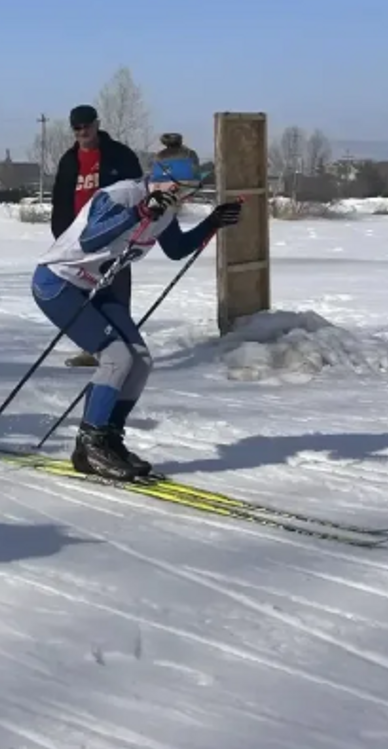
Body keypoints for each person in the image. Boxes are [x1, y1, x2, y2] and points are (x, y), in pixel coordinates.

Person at [33, 157, 241, 481]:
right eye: (182, 190)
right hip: (58, 283)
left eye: (189, 192)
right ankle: (92, 442)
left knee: (140, 361)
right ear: (165, 182)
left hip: (96, 288)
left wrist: (213, 222)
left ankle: (108, 439)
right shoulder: (120, 196)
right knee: (116, 358)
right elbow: (90, 239)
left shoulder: (166, 209)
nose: (184, 198)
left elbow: (176, 248)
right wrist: (138, 212)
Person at [50, 104, 145, 367]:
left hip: (115, 236)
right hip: (80, 241)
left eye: (87, 126)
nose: (83, 132)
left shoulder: (119, 155)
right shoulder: (69, 161)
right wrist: (62, 238)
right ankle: (94, 348)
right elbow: (60, 203)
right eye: (77, 128)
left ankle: (124, 348)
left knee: (115, 293)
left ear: (97, 124)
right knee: (84, 295)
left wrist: (132, 229)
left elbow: (138, 192)